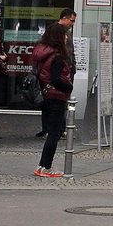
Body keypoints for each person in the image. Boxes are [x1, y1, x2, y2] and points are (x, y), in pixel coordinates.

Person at [31, 21, 74, 178]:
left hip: (47, 94)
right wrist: (68, 87)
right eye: (64, 35)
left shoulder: (43, 53)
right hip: (56, 96)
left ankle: (42, 165)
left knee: (51, 131)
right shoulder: (57, 57)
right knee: (54, 133)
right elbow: (56, 79)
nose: (66, 38)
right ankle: (46, 166)